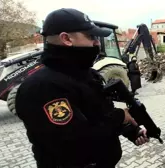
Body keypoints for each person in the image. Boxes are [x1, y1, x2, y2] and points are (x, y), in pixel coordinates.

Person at [15, 8, 149, 168]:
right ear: (66, 39)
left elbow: (101, 115)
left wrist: (131, 132)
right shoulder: (42, 87)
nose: (97, 42)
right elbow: (75, 140)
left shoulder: (89, 75)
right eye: (91, 36)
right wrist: (121, 116)